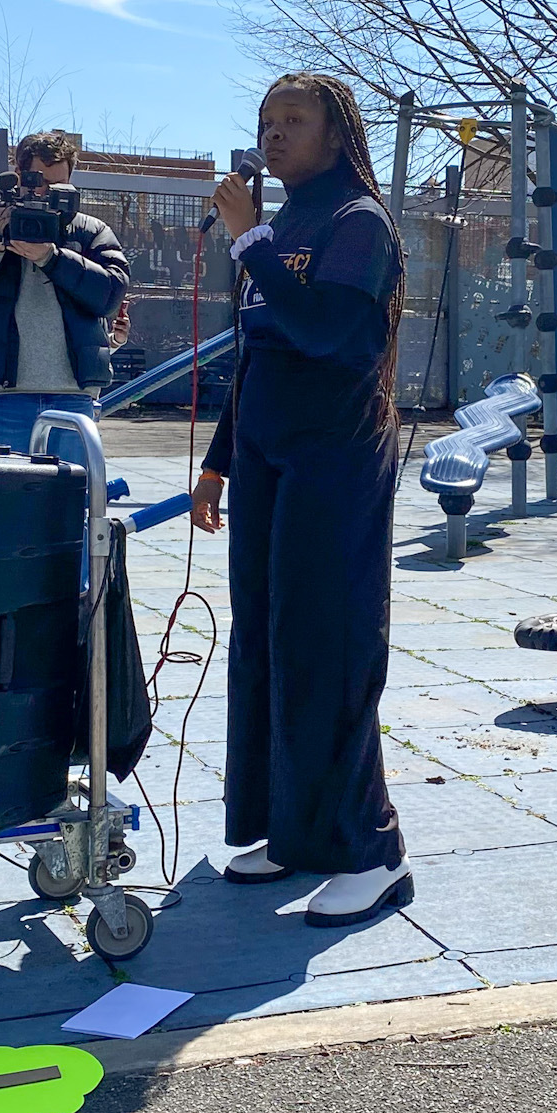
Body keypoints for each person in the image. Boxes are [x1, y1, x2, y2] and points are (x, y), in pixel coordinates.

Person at [191, 72, 412, 928]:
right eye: (265, 122)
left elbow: (330, 335)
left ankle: (373, 849)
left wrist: (250, 248)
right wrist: (219, 463)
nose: (275, 136)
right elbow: (261, 353)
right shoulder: (280, 224)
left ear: (337, 132)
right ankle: (293, 829)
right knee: (268, 646)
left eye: (294, 120)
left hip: (335, 458)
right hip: (268, 456)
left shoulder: (359, 221)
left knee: (329, 645)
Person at [0, 130, 128, 457]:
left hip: (73, 393)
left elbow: (110, 295)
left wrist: (52, 258)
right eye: (38, 182)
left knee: (70, 497)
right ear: (18, 177)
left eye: (58, 186)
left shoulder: (89, 232)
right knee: (9, 501)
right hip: (6, 394)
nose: (45, 194)